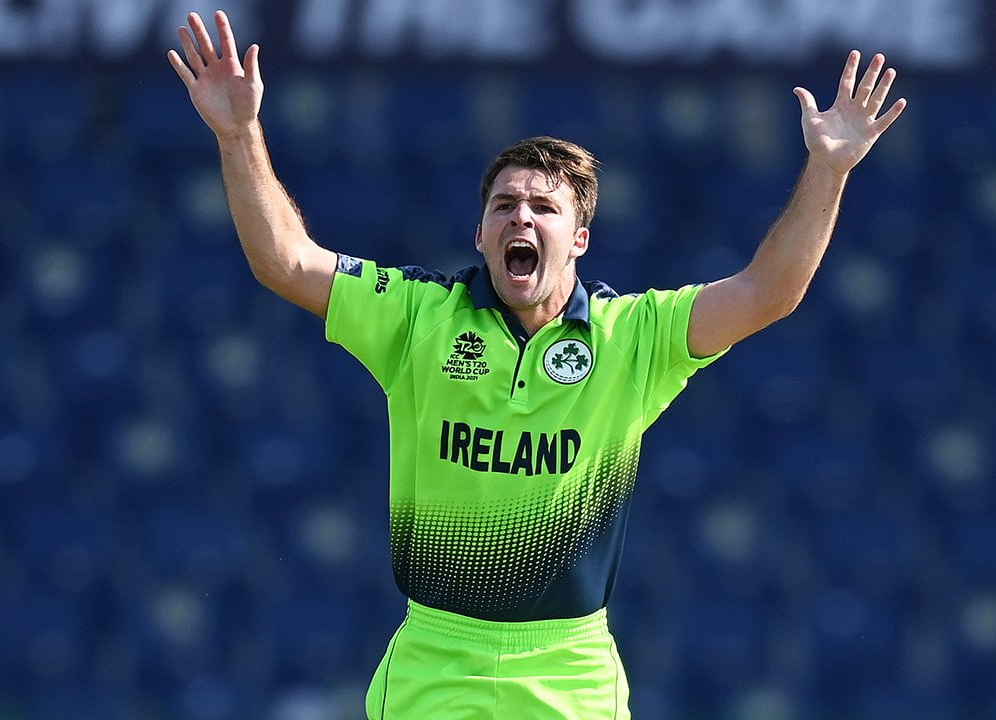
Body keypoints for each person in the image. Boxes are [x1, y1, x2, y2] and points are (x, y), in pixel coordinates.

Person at [169, 10, 906, 719]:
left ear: (579, 239)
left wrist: (828, 169)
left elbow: (768, 293)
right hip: (435, 657)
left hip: (569, 665)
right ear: (480, 233)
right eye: (504, 205)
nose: (520, 216)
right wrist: (239, 133)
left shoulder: (632, 336)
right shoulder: (417, 316)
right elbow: (286, 261)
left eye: (543, 208)